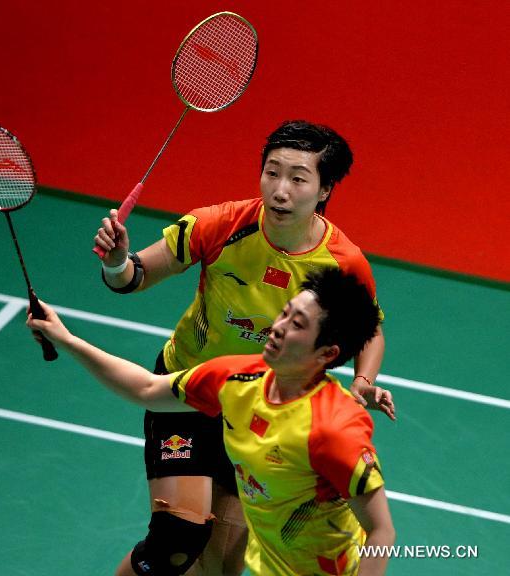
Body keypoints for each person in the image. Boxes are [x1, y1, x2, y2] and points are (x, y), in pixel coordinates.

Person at [92, 120, 394, 575]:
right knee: (178, 536)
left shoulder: (343, 263)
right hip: (190, 391)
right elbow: (134, 276)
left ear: (325, 188)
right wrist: (116, 262)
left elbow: (368, 329)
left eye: (297, 178)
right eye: (272, 172)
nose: (280, 190)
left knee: (221, 564)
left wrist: (363, 380)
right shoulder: (220, 224)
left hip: (263, 409)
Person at [27, 268, 396, 576]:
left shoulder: (333, 428)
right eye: (284, 313)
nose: (278, 327)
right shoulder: (239, 378)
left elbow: (381, 532)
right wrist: (68, 340)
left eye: (296, 325)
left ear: (327, 353)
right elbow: (145, 387)